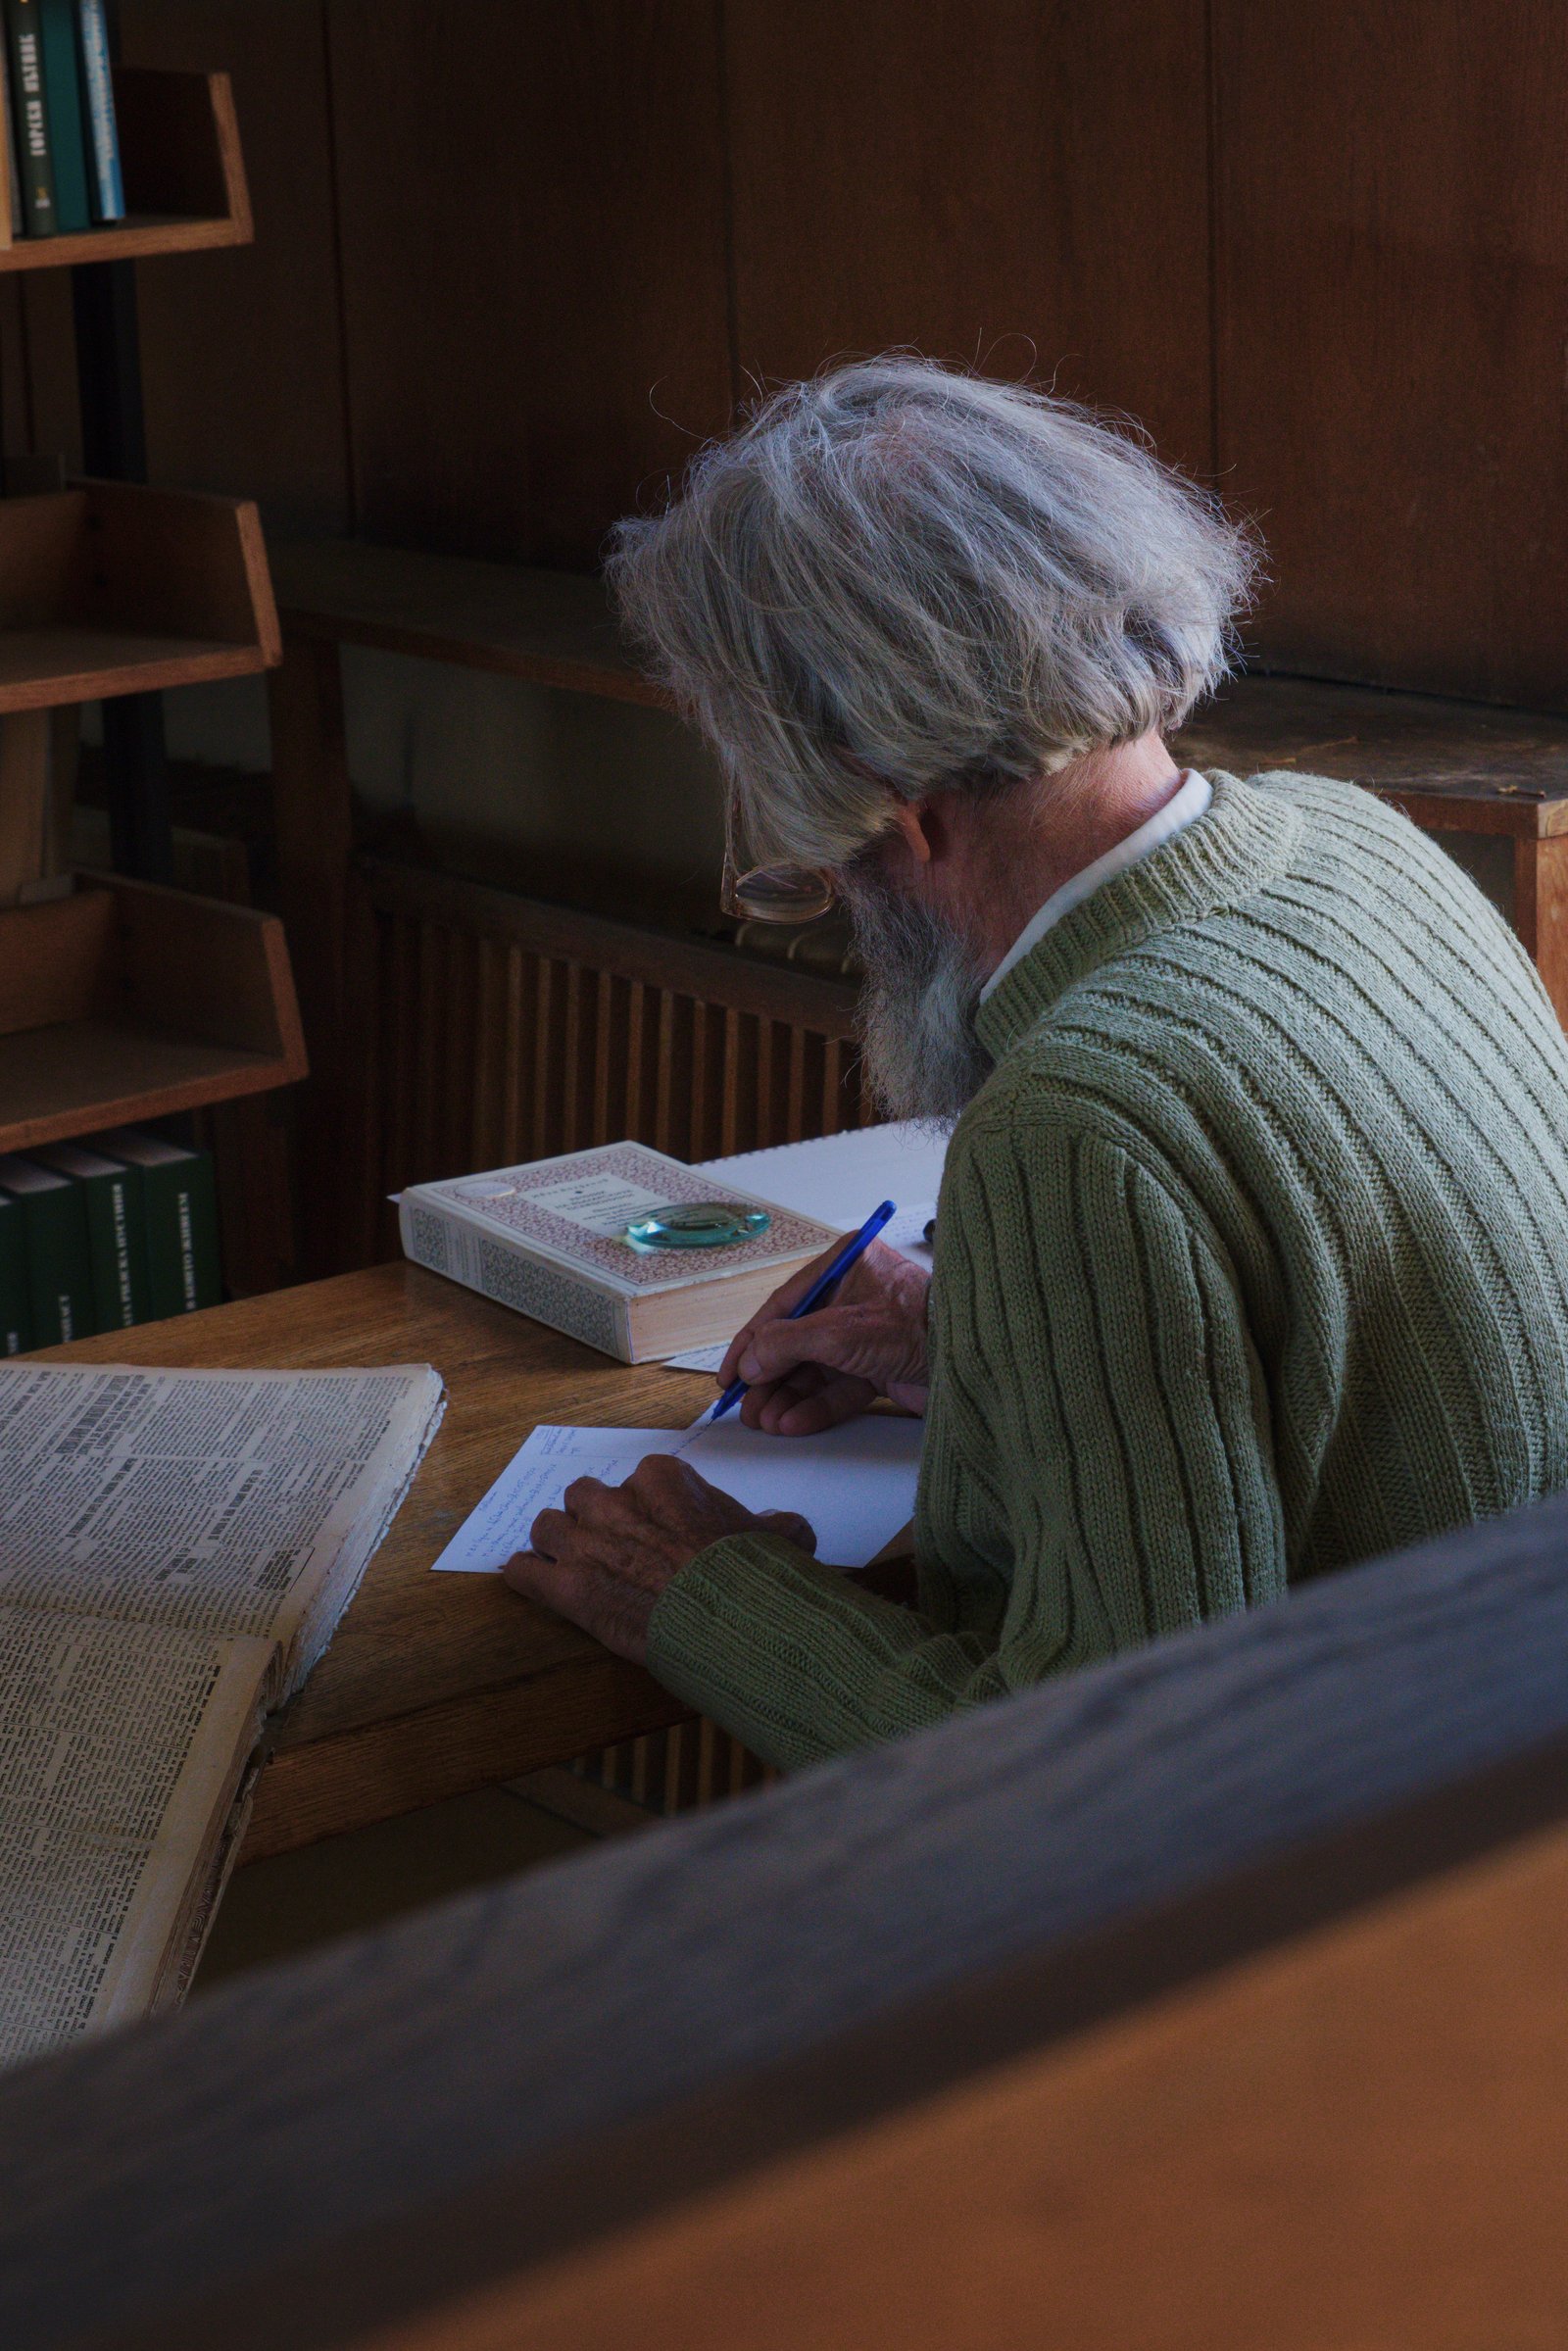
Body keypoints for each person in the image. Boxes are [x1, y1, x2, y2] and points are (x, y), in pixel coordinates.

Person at [503, 358, 1568, 1769]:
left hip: (1409, 1891)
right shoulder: (1351, 839)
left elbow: (1112, 1786)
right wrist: (982, 1340)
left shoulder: (1076, 1123)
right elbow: (1360, 1363)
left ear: (892, 807)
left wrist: (698, 1595)